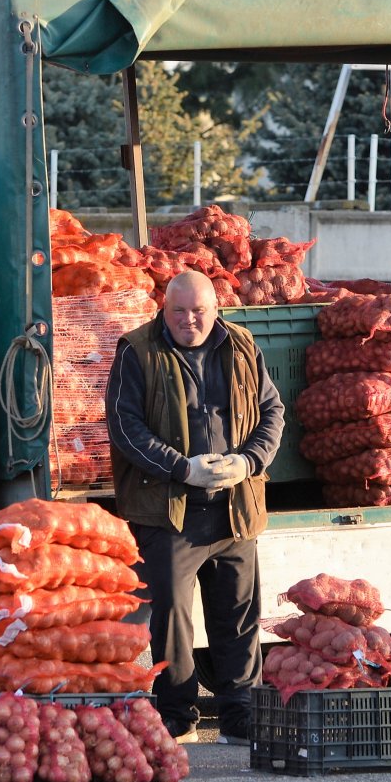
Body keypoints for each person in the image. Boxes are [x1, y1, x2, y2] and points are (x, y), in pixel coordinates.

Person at [105, 269, 285, 744]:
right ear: (163, 310)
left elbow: (272, 411)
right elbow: (124, 428)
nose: (189, 320)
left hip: (234, 505)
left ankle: (240, 716)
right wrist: (182, 469)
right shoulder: (137, 350)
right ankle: (178, 715)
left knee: (239, 616)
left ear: (216, 309)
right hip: (170, 510)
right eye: (179, 311)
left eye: (199, 311)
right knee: (172, 618)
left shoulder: (243, 346)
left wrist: (248, 462)